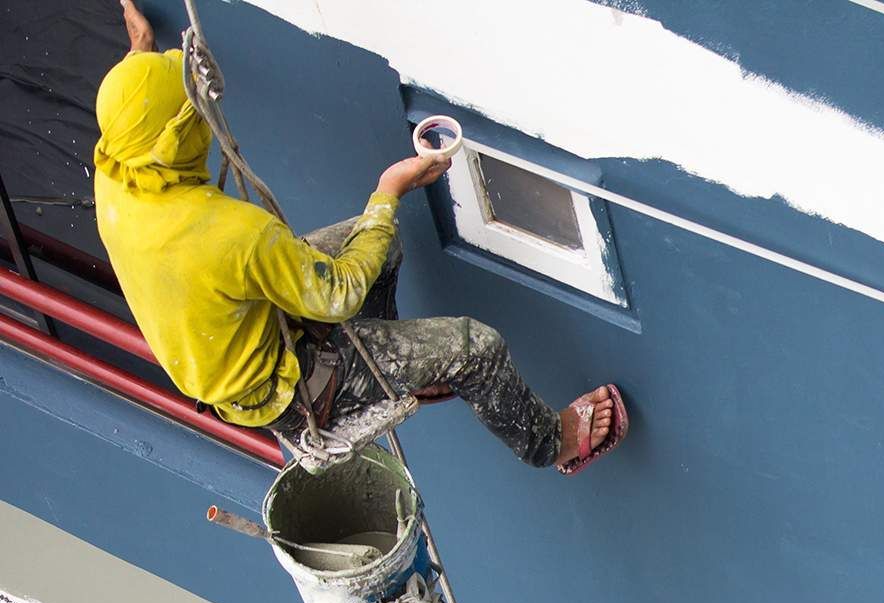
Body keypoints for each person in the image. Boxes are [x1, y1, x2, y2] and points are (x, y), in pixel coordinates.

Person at [93, 0, 623, 473]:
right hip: (286, 387)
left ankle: (387, 362)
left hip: (232, 328)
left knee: (380, 242)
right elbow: (337, 294)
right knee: (473, 346)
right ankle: (550, 442)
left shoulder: (117, 177)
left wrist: (141, 55)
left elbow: (133, 120)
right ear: (181, 135)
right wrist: (388, 189)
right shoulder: (232, 235)